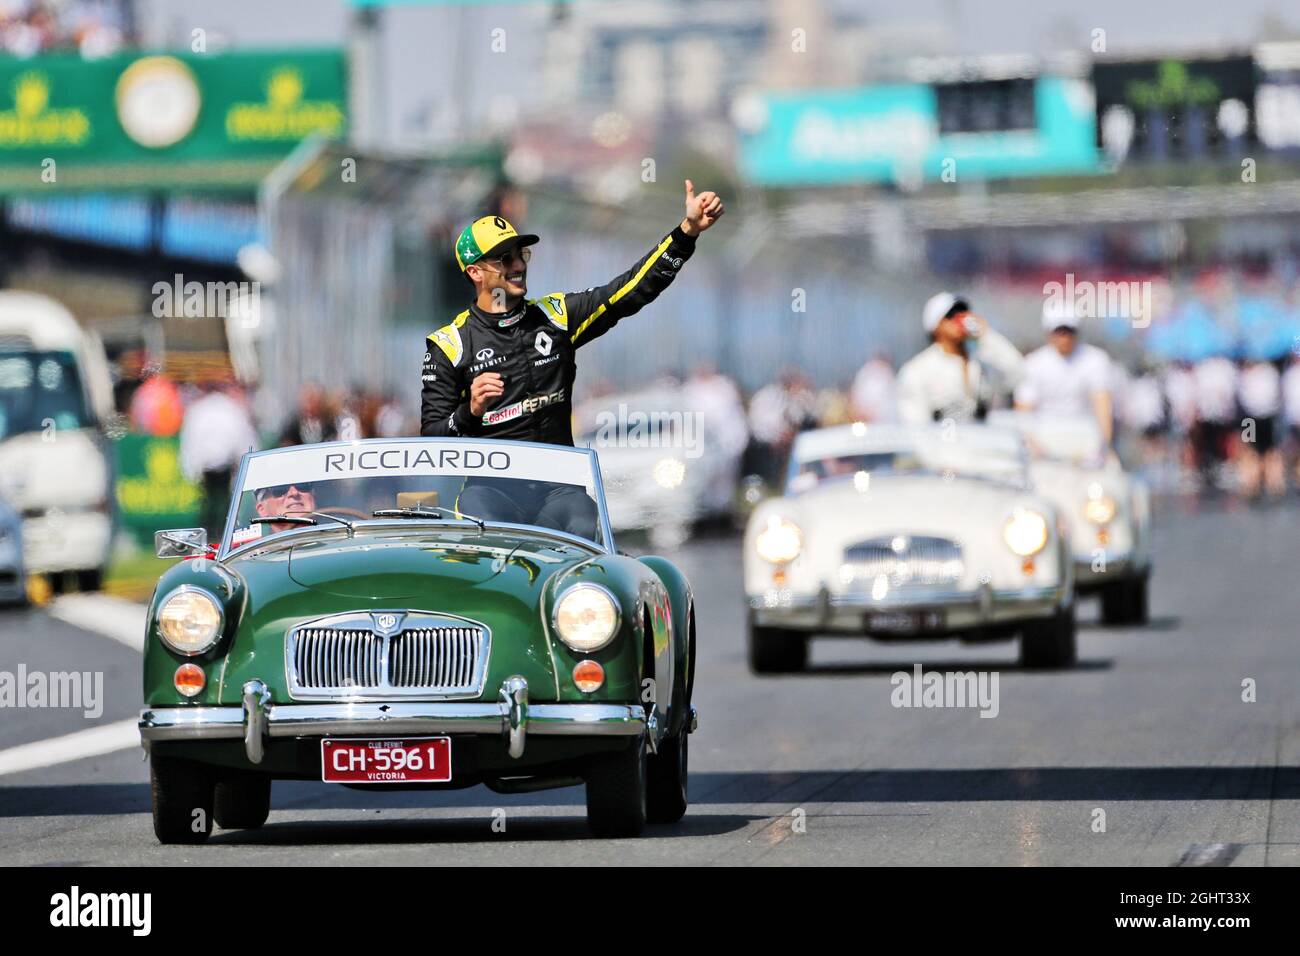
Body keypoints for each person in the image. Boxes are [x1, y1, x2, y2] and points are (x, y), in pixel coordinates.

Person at [420, 179, 724, 538]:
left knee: (582, 519)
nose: (518, 264)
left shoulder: (557, 315)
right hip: (492, 493)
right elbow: (432, 440)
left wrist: (686, 233)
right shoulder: (449, 344)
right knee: (481, 525)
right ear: (475, 272)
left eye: (521, 253)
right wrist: (468, 411)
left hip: (558, 487)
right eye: (505, 258)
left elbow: (632, 289)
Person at [896, 292, 1024, 425]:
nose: (960, 319)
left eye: (963, 312)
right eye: (951, 315)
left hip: (983, 444)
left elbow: (1018, 374)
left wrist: (986, 336)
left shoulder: (982, 362)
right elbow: (915, 425)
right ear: (935, 326)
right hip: (942, 445)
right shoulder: (917, 370)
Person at [1014, 302, 1115, 443]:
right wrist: (1030, 443)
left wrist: (1105, 444)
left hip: (1085, 436)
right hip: (1044, 436)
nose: (1064, 338)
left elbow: (1102, 404)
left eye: (1069, 331)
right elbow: (1024, 410)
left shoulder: (1095, 360)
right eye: (1059, 332)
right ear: (1049, 332)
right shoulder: (1033, 364)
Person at [179, 378, 258, 539]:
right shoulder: (228, 408)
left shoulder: (200, 409)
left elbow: (191, 439)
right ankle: (219, 532)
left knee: (211, 501)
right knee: (220, 501)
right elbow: (240, 436)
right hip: (222, 462)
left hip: (210, 463)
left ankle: (212, 532)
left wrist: (191, 465)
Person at [253, 482, 317, 533]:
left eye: (302, 485)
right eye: (280, 489)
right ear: (262, 509)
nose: (294, 493)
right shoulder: (253, 548)